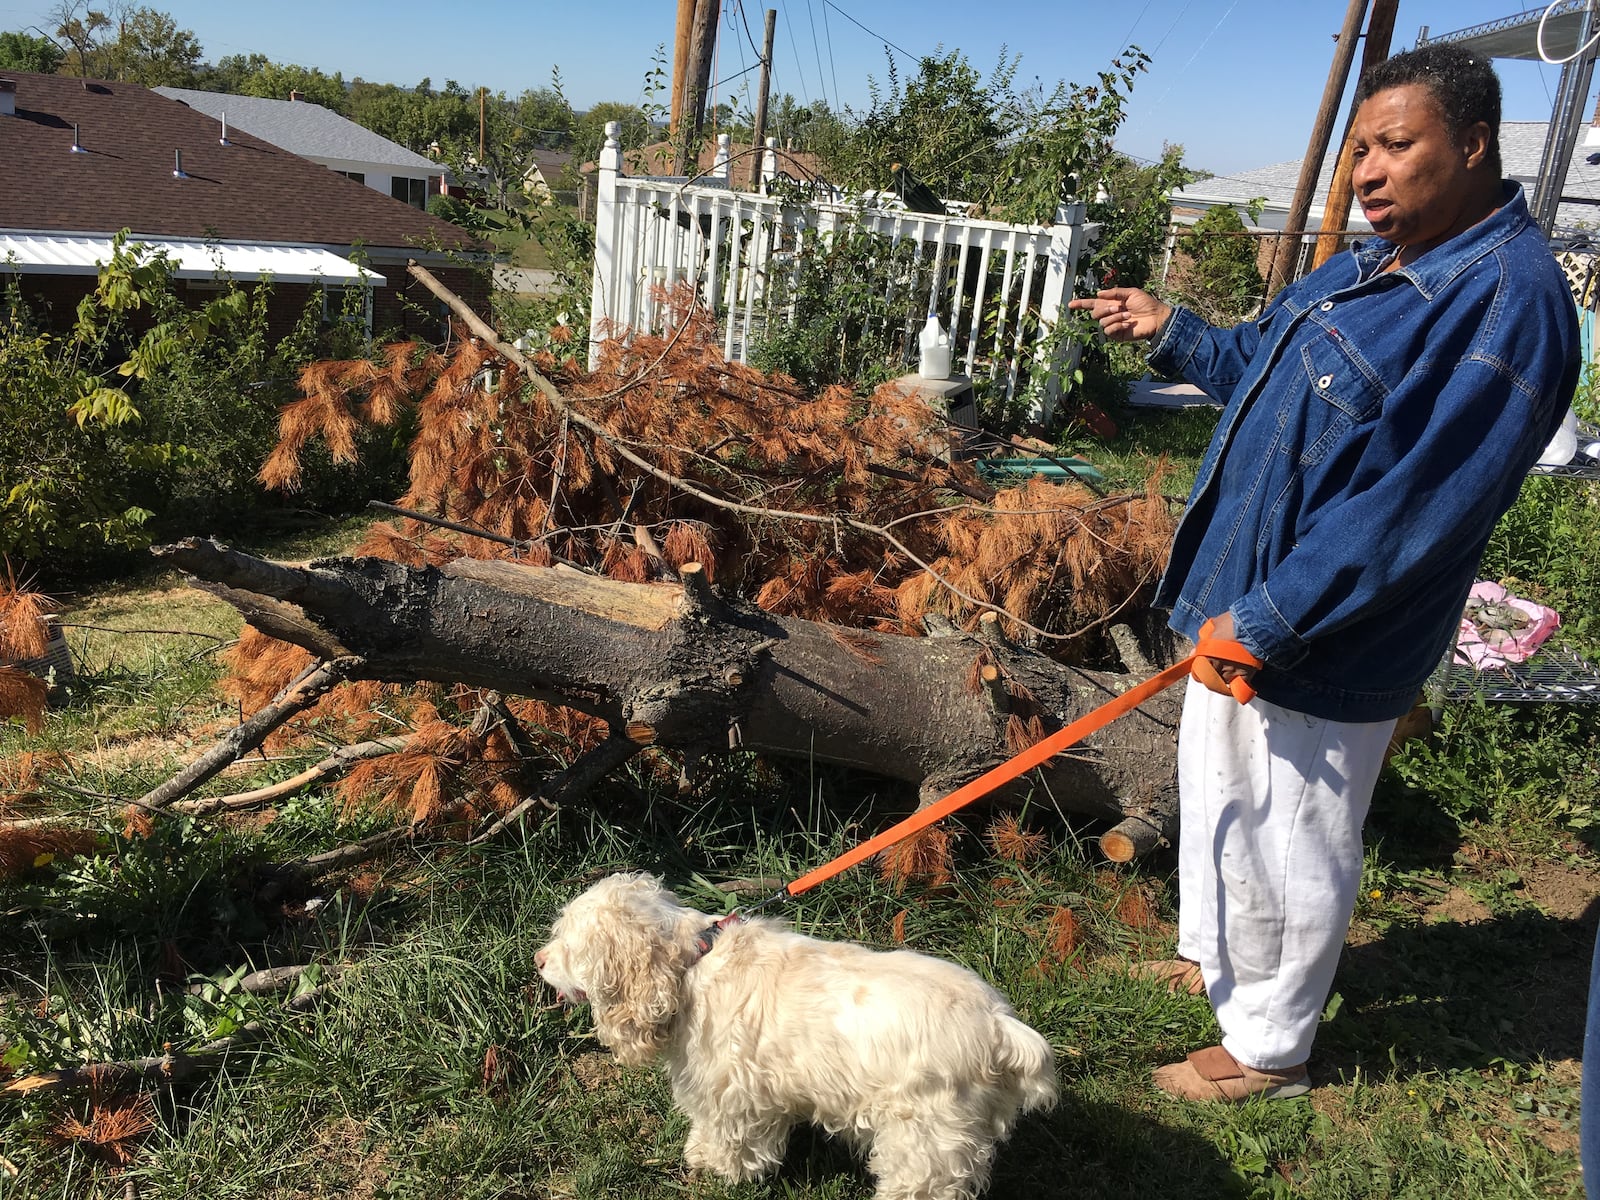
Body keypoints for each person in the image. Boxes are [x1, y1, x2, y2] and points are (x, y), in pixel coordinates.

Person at [1068, 43, 1580, 1102]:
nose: (1367, 173)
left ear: (1473, 145)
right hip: (1240, 609)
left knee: (1289, 835)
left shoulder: (1504, 302)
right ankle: (1220, 965)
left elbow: (1414, 505)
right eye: (1358, 151)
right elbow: (1264, 368)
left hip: (1320, 631)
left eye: (1396, 145)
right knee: (1221, 796)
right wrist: (1172, 332)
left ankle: (1268, 1047)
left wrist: (1272, 617)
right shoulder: (1365, 266)